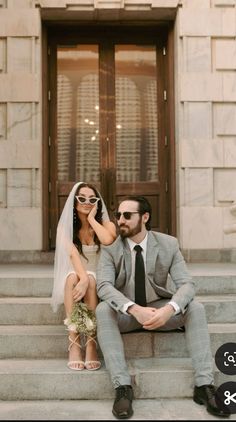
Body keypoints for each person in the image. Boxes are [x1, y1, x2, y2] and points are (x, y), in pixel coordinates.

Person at [95, 195, 230, 419]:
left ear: (145, 217)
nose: (120, 220)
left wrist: (169, 309)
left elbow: (187, 283)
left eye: (127, 215)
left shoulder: (168, 244)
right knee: (102, 310)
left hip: (160, 311)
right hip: (127, 315)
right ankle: (123, 388)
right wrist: (133, 308)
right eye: (118, 215)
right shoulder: (111, 249)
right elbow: (104, 286)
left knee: (195, 308)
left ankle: (204, 386)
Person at [51, 182, 116, 371]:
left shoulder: (106, 224)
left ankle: (91, 343)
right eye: (81, 198)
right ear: (74, 201)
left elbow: (107, 240)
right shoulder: (65, 228)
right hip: (77, 274)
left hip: (100, 275)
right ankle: (74, 341)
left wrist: (93, 219)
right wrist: (84, 277)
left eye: (92, 199)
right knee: (73, 278)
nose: (86, 202)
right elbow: (72, 255)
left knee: (91, 279)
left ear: (97, 203)